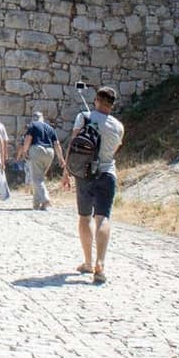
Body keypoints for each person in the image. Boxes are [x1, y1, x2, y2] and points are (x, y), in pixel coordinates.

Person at [61, 86, 125, 284]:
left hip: (84, 175)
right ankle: (101, 263)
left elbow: (74, 144)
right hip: (107, 174)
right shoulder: (118, 126)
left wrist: (66, 172)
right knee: (103, 217)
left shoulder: (84, 117)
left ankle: (88, 262)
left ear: (96, 99)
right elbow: (114, 150)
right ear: (112, 105)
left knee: (84, 217)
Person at [17, 111, 65, 210]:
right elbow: (57, 144)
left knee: (36, 179)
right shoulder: (50, 128)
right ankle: (36, 204)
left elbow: (28, 138)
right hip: (50, 152)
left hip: (37, 150)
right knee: (39, 178)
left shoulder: (33, 125)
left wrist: (25, 151)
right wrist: (61, 158)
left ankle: (45, 199)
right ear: (42, 118)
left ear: (33, 118)